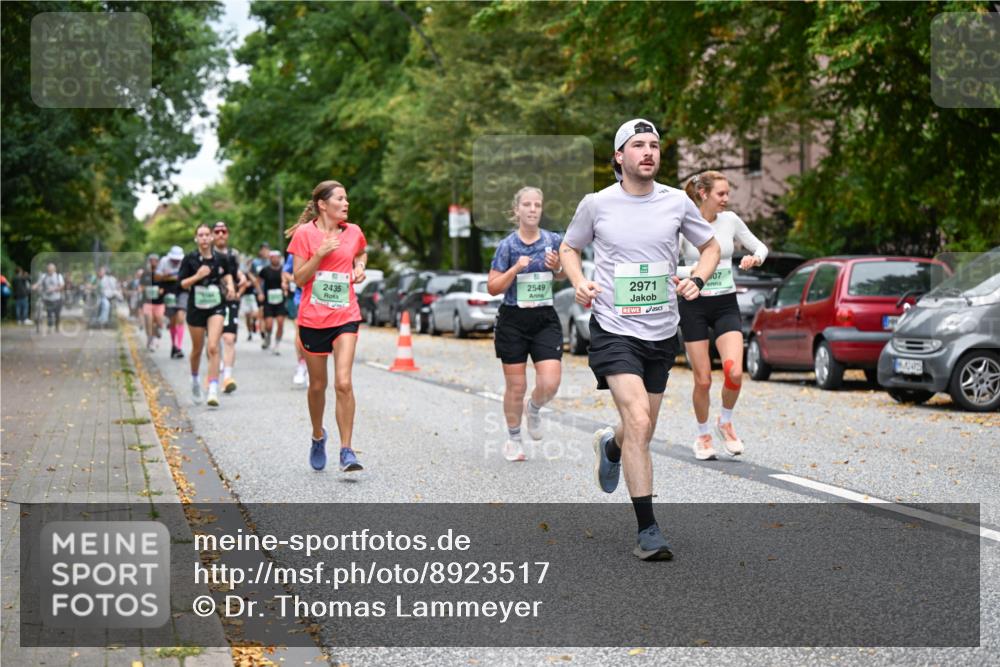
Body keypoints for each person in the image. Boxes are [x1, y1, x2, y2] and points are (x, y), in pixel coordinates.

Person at [560, 118, 720, 561]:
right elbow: (571, 248)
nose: (648, 152)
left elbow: (710, 248)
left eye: (654, 145)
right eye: (638, 145)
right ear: (619, 156)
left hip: (661, 331)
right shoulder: (597, 204)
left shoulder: (675, 203)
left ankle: (609, 446)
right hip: (613, 328)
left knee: (640, 430)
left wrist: (699, 280)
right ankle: (648, 530)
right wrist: (578, 281)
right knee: (638, 420)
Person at [679, 171, 768, 460]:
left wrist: (755, 258)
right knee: (703, 380)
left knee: (733, 371)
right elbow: (668, 266)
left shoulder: (729, 221)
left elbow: (760, 246)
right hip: (694, 305)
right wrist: (690, 273)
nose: (726, 199)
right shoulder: (684, 225)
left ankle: (725, 421)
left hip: (725, 303)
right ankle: (702, 434)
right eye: (721, 194)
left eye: (727, 193)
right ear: (703, 194)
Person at [286, 180, 367, 473]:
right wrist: (320, 253)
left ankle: (347, 450)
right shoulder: (304, 235)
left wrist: (360, 267)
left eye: (347, 199)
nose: (346, 204)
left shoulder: (353, 232)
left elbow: (360, 252)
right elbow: (298, 278)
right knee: (317, 385)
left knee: (343, 382)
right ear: (323, 204)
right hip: (312, 320)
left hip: (345, 315)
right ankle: (318, 435)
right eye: (341, 199)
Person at [487, 187, 565, 462]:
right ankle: (514, 439)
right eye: (527, 205)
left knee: (551, 381)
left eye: (537, 205)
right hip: (513, 320)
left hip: (544, 318)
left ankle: (533, 408)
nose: (533, 209)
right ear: (517, 210)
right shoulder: (507, 246)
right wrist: (515, 269)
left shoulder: (553, 240)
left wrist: (557, 267)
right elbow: (492, 287)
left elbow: (564, 274)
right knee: (516, 386)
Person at [178, 224, 237, 407]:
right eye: (200, 235)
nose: (204, 238)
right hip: (196, 308)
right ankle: (195, 380)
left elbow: (227, 275)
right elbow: (182, 284)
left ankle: (213, 388)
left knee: (213, 347)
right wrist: (197, 276)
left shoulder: (221, 258)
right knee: (197, 349)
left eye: (206, 235)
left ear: (211, 238)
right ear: (196, 239)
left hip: (216, 306)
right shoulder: (189, 259)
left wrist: (231, 286)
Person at [212, 221, 246, 393]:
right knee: (214, 340)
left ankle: (227, 377)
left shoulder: (234, 254)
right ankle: (215, 368)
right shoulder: (208, 254)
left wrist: (241, 283)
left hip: (230, 300)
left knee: (229, 339)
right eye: (217, 231)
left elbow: (238, 273)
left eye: (223, 231)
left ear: (228, 234)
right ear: (212, 234)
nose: (220, 234)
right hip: (211, 301)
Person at [283, 251, 309, 387]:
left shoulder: (326, 244)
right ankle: (301, 365)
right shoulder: (296, 252)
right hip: (301, 298)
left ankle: (313, 369)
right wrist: (297, 278)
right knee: (300, 333)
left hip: (321, 298)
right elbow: (285, 272)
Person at [255, 250, 288, 354]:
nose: (275, 259)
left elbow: (288, 281)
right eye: (273, 257)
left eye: (277, 257)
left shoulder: (283, 270)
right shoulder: (265, 270)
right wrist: (260, 293)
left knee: (280, 323)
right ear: (270, 259)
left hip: (280, 300)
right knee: (269, 324)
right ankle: (268, 337)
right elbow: (257, 282)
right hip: (268, 301)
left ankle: (277, 345)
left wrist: (286, 288)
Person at [158, 246, 187, 358]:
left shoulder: (185, 261)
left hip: (182, 291)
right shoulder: (164, 261)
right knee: (173, 320)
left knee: (180, 316)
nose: (176, 261)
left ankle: (179, 346)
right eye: (174, 259)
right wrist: (169, 276)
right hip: (169, 292)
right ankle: (173, 345)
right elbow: (158, 276)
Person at [140, 254, 166, 351]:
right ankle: (150, 339)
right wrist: (145, 289)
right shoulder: (145, 274)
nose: (153, 262)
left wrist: (161, 290)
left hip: (159, 302)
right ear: (149, 261)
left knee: (158, 320)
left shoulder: (161, 274)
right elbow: (140, 286)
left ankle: (157, 333)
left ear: (158, 262)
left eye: (155, 261)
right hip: (147, 301)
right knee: (149, 321)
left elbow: (165, 287)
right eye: (151, 260)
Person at [35, 263, 65, 332]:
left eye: (51, 270)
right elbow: (39, 283)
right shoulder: (44, 276)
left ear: (54, 269)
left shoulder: (58, 276)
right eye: (48, 270)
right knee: (49, 313)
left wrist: (54, 289)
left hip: (57, 298)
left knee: (57, 314)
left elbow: (62, 286)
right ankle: (50, 326)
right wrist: (35, 286)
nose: (49, 271)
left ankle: (57, 326)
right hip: (47, 298)